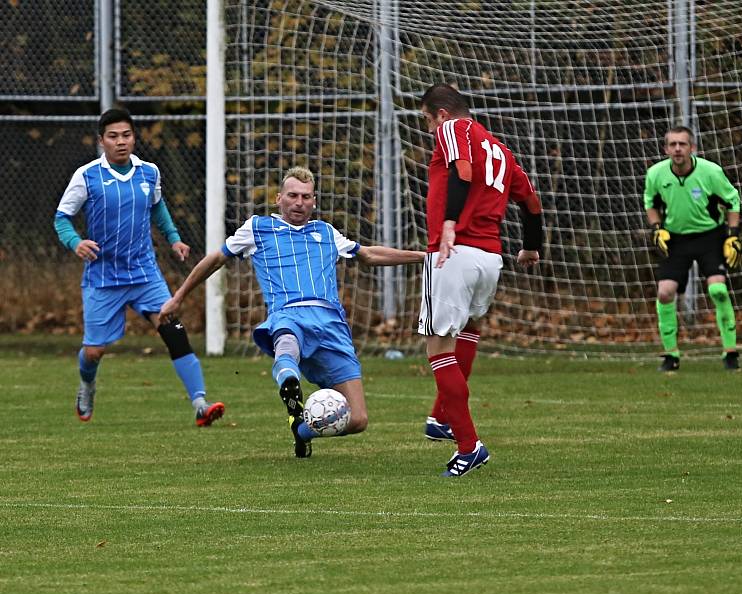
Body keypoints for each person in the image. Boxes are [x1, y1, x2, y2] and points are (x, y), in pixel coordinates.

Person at [158, 166, 425, 458]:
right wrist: (179, 297)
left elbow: (370, 255)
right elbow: (214, 260)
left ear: (314, 201)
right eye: (293, 195)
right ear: (278, 199)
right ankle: (288, 378)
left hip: (331, 324)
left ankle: (302, 430)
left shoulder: (326, 232)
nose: (299, 202)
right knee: (287, 339)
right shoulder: (258, 228)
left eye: (306, 197)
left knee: (358, 420)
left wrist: (423, 257)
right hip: (288, 313)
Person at [54, 107, 224, 426]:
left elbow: (157, 208)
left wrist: (174, 239)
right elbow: (61, 218)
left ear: (135, 137)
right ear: (102, 140)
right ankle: (87, 385)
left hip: (144, 274)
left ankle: (201, 404)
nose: (121, 142)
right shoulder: (87, 175)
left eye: (127, 135)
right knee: (93, 352)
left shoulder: (149, 172)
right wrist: (75, 242)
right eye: (113, 136)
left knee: (173, 329)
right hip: (103, 277)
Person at [417, 84, 544, 477]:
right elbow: (531, 201)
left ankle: (469, 446)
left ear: (440, 113)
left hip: (455, 251)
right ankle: (441, 418)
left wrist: (451, 223)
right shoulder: (500, 149)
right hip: (491, 257)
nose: (429, 128)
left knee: (437, 346)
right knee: (467, 330)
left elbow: (462, 171)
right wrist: (531, 246)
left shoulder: (453, 129)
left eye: (426, 119)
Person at [644, 126, 742, 372]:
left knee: (718, 289)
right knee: (665, 293)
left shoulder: (711, 172)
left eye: (683, 144)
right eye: (673, 144)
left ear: (692, 148)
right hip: (675, 239)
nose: (678, 149)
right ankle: (671, 356)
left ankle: (730, 353)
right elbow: (650, 203)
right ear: (666, 149)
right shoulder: (655, 174)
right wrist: (657, 228)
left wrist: (732, 236)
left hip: (710, 236)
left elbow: (733, 201)